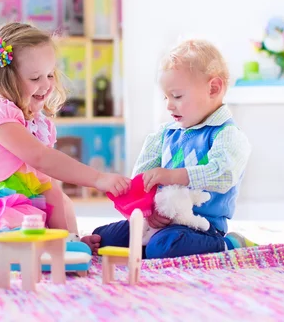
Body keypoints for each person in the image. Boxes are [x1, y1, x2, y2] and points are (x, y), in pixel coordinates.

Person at [0, 22, 130, 262]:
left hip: (20, 203)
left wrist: (70, 239)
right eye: (35, 77)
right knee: (22, 239)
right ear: (5, 78)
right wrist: (98, 179)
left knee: (60, 202)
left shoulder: (38, 123)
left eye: (50, 74)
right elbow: (42, 159)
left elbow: (48, 187)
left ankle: (63, 245)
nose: (46, 85)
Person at [85, 39, 256, 258]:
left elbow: (223, 174)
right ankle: (147, 246)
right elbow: (142, 177)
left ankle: (229, 244)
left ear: (213, 88)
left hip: (201, 227)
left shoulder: (227, 134)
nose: (168, 105)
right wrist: (149, 210)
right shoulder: (164, 134)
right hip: (157, 222)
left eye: (177, 96)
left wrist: (173, 176)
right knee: (103, 237)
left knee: (165, 246)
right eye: (166, 97)